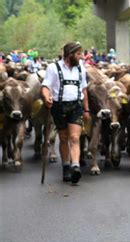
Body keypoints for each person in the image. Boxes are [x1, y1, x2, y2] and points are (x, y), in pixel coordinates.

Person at [41, 42, 90, 184]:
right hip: (59, 106)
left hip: (76, 106)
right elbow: (45, 86)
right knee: (63, 138)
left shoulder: (81, 68)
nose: (81, 57)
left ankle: (75, 166)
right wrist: (46, 97)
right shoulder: (53, 68)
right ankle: (66, 166)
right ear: (70, 54)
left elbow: (84, 90)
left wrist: (86, 109)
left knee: (74, 137)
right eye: (78, 54)